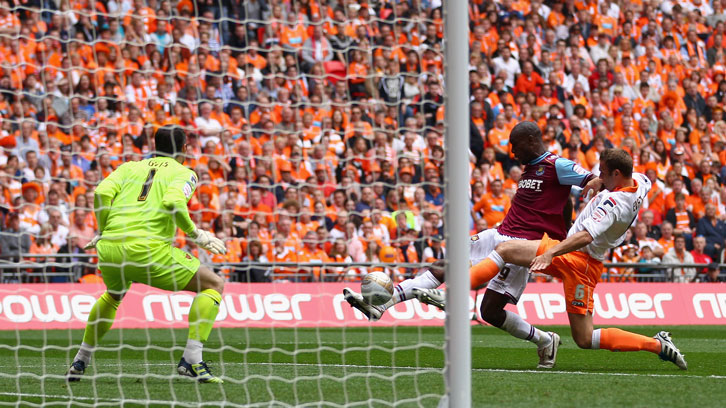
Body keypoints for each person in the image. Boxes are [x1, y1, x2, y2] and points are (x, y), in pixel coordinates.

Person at [344, 121, 598, 368]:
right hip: (498, 233)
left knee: (490, 312)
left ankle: (544, 339)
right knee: (444, 264)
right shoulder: (530, 167)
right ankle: (382, 304)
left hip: (521, 247)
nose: (512, 152)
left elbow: (591, 180)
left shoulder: (556, 164)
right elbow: (560, 202)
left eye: (515, 145)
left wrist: (567, 232)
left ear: (532, 141)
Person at [420, 149, 687, 370]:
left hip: (574, 255)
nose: (599, 177)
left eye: (603, 173)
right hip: (589, 267)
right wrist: (598, 185)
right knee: (585, 337)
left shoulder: (615, 204)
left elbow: (583, 236)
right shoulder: (640, 181)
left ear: (617, 174)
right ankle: (657, 344)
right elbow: (626, 182)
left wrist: (550, 253)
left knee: (506, 249)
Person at [66, 126, 227, 383]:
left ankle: (80, 360)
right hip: (148, 251)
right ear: (185, 149)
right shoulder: (185, 173)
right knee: (213, 284)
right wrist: (198, 234)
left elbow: (100, 192)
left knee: (113, 295)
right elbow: (173, 202)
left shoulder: (129, 167)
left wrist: (102, 229)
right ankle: (192, 360)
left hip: (109, 249)